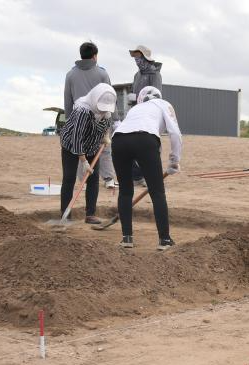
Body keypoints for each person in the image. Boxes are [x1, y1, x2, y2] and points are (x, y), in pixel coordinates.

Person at [111, 86, 182, 250]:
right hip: (145, 139)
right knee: (157, 191)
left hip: (119, 140)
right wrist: (174, 161)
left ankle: (127, 238)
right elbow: (175, 133)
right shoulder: (164, 104)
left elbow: (134, 140)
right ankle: (164, 240)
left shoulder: (135, 109)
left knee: (125, 191)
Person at [59, 83, 115, 224]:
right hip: (71, 145)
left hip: (92, 146)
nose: (103, 111)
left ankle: (90, 214)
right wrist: (83, 161)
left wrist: (106, 136)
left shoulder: (107, 111)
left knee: (93, 178)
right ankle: (65, 216)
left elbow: (107, 125)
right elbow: (77, 137)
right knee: (69, 178)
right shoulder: (82, 110)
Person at [64, 41, 112, 194]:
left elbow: (67, 99)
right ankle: (109, 178)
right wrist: (112, 122)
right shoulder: (102, 73)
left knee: (79, 149)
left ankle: (82, 181)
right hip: (99, 118)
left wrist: (69, 121)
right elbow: (109, 97)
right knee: (102, 151)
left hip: (77, 118)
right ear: (95, 56)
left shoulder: (71, 74)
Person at [127, 45, 164, 188]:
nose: (136, 60)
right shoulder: (137, 75)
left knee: (149, 148)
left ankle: (151, 178)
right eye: (135, 57)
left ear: (145, 58)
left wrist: (139, 98)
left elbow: (156, 96)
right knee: (134, 146)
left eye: (138, 57)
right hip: (135, 113)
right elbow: (133, 90)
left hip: (149, 116)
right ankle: (137, 177)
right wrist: (133, 99)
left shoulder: (155, 75)